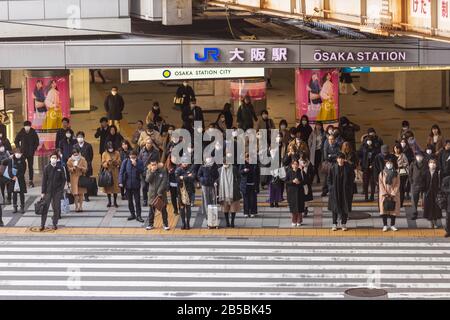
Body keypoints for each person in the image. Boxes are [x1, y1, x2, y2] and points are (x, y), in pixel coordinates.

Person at [328, 153, 355, 231]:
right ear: (337, 159)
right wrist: (331, 188)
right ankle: (334, 224)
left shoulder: (348, 168)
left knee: (344, 207)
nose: (340, 160)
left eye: (342, 158)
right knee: (335, 208)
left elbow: (352, 178)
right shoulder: (333, 167)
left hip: (345, 191)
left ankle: (343, 223)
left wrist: (349, 188)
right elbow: (329, 179)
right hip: (335, 190)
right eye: (339, 158)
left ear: (344, 159)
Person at [40, 152, 66, 231]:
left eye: (55, 158)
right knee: (45, 208)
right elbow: (44, 181)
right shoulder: (47, 168)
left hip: (57, 191)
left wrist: (61, 189)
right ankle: (42, 224)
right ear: (50, 158)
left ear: (57, 159)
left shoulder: (60, 168)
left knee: (56, 208)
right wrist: (43, 192)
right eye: (52, 157)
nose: (54, 159)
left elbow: (63, 179)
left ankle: (55, 223)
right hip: (48, 191)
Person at [119, 150, 144, 223]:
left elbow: (142, 171)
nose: (132, 157)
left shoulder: (139, 162)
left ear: (136, 156)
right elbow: (121, 172)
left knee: (137, 201)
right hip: (128, 184)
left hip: (136, 184)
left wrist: (136, 165)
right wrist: (120, 182)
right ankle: (132, 214)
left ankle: (139, 215)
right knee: (130, 201)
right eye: (131, 156)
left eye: (134, 156)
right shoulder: (125, 161)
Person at [145, 160, 170, 231]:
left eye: (155, 164)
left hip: (161, 194)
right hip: (152, 194)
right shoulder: (149, 171)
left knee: (163, 209)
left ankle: (165, 224)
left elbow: (164, 181)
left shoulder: (163, 170)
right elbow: (147, 180)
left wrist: (159, 191)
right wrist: (152, 172)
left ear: (158, 164)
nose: (154, 166)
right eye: (152, 165)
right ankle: (150, 224)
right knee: (151, 210)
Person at [14, 121, 39, 188]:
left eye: (28, 126)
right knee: (21, 166)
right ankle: (20, 179)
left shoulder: (33, 132)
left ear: (30, 126)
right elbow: (16, 140)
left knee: (30, 167)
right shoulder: (21, 131)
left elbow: (37, 142)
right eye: (26, 126)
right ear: (24, 126)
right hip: (23, 152)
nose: (27, 127)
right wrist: (18, 149)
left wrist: (34, 148)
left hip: (31, 152)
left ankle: (31, 181)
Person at [218, 158, 241, 228]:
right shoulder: (219, 170)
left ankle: (232, 222)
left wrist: (236, 184)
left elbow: (239, 177)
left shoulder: (234, 168)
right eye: (225, 163)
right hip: (223, 192)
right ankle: (227, 222)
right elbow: (217, 178)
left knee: (233, 208)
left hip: (233, 191)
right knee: (225, 208)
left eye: (227, 163)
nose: (226, 164)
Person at [378, 159, 400, 232]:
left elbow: (397, 184)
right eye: (388, 163)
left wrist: (393, 193)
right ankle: (385, 225)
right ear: (385, 164)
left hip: (394, 194)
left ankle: (392, 225)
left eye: (390, 163)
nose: (389, 164)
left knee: (393, 210)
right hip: (384, 195)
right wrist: (384, 193)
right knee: (384, 210)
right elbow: (380, 184)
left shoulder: (396, 173)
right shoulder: (381, 173)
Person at [175, 158, 196, 230]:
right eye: (183, 162)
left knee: (188, 208)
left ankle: (188, 223)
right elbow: (177, 179)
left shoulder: (191, 168)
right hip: (180, 192)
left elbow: (193, 178)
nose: (185, 163)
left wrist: (183, 177)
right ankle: (183, 222)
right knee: (181, 208)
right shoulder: (178, 169)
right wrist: (187, 176)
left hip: (189, 191)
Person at [139, 139, 160, 207]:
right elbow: (140, 161)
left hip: (153, 171)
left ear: (152, 144)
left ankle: (153, 200)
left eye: (150, 143)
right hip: (144, 172)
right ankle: (145, 200)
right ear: (145, 144)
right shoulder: (142, 151)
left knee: (152, 187)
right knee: (144, 187)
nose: (148, 144)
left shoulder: (156, 152)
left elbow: (158, 161)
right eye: (147, 143)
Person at [423, 158, 443, 228]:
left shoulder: (439, 172)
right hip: (428, 192)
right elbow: (423, 182)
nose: (432, 164)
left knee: (436, 207)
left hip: (436, 192)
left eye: (434, 163)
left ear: (436, 164)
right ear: (428, 164)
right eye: (431, 162)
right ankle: (430, 222)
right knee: (428, 207)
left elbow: (441, 183)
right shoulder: (425, 172)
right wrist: (424, 191)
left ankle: (435, 222)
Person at [67, 148, 88, 213]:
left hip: (81, 177)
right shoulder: (70, 160)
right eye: (74, 154)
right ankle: (76, 206)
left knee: (81, 193)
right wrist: (73, 168)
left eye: (77, 154)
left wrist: (80, 167)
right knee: (75, 194)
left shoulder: (82, 159)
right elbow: (68, 168)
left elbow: (86, 169)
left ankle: (81, 206)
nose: (76, 156)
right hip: (73, 178)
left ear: (79, 153)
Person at [285, 158, 305, 227]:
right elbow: (286, 181)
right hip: (292, 192)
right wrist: (292, 181)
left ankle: (299, 220)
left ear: (298, 165)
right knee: (293, 206)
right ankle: (294, 220)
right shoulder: (289, 172)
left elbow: (306, 181)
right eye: (294, 164)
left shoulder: (301, 172)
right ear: (292, 165)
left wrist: (299, 182)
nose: (295, 165)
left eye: (296, 164)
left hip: (299, 191)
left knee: (300, 206)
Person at [75, 131, 94, 202]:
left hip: (86, 166)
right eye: (78, 137)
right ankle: (80, 196)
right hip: (78, 166)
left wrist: (87, 163)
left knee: (86, 181)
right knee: (79, 181)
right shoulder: (75, 146)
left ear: (83, 137)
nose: (80, 138)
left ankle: (86, 196)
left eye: (81, 137)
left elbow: (91, 155)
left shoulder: (88, 145)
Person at [101, 142, 121, 208]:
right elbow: (103, 163)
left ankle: (115, 201)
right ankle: (109, 201)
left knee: (115, 187)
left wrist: (115, 162)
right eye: (109, 148)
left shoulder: (117, 153)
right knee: (108, 187)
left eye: (111, 148)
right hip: (108, 171)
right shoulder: (104, 153)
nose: (110, 149)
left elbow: (119, 162)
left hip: (115, 171)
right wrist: (107, 163)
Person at [239, 154, 260, 218]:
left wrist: (257, 184)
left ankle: (253, 212)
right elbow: (239, 172)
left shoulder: (255, 164)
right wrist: (244, 171)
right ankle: (246, 212)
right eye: (247, 158)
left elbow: (258, 174)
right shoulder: (242, 164)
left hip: (253, 184)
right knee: (246, 200)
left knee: (253, 199)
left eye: (249, 158)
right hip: (245, 184)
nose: (248, 160)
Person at [7, 148, 27, 213]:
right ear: (14, 153)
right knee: (14, 193)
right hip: (13, 179)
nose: (18, 154)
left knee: (21, 194)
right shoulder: (11, 160)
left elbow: (24, 169)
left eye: (20, 153)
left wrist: (18, 177)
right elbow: (9, 170)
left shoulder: (23, 160)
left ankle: (22, 207)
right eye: (17, 153)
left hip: (20, 178)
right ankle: (15, 207)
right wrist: (12, 176)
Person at [359, 136, 378, 201]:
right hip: (365, 167)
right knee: (365, 182)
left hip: (373, 168)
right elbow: (360, 156)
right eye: (368, 140)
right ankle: (366, 196)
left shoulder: (375, 148)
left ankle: (372, 196)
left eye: (370, 140)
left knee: (373, 182)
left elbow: (376, 158)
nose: (369, 142)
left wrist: (373, 164)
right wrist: (362, 164)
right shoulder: (363, 147)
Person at [409, 151, 427, 220]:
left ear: (423, 157)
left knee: (425, 199)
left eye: (420, 156)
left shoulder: (426, 164)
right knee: (414, 199)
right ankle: (414, 213)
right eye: (417, 156)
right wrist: (411, 181)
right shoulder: (413, 164)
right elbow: (410, 173)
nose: (419, 157)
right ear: (416, 157)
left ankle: (425, 213)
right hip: (414, 184)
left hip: (424, 184)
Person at [394, 143, 410, 208]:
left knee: (401, 189)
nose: (397, 150)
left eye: (398, 148)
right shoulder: (392, 155)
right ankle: (395, 202)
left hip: (402, 173)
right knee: (395, 189)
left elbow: (406, 163)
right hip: (394, 174)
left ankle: (401, 203)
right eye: (395, 148)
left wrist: (400, 165)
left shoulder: (403, 155)